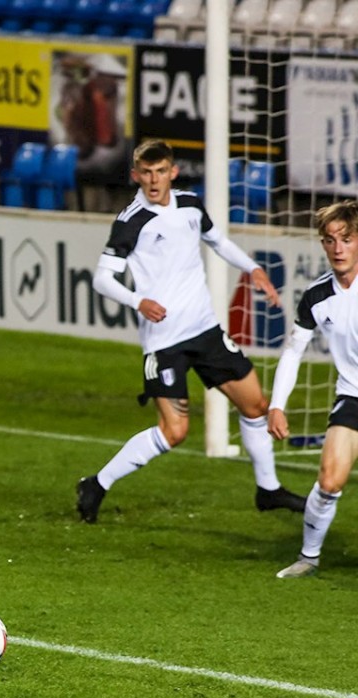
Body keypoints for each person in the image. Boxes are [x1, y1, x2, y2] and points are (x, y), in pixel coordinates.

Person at [76, 140, 306, 523]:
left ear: (173, 172)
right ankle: (96, 484)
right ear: (135, 175)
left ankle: (268, 489)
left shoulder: (190, 205)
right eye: (146, 173)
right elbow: (102, 279)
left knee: (255, 406)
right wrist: (138, 301)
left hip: (205, 330)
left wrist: (252, 268)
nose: (154, 180)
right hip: (165, 341)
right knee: (174, 431)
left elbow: (218, 241)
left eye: (160, 172)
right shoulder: (131, 221)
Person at [270, 201, 358, 578]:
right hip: (353, 394)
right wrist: (277, 405)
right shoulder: (317, 296)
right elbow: (293, 351)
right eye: (330, 240)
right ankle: (308, 558)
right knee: (329, 479)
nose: (338, 248)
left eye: (347, 239)